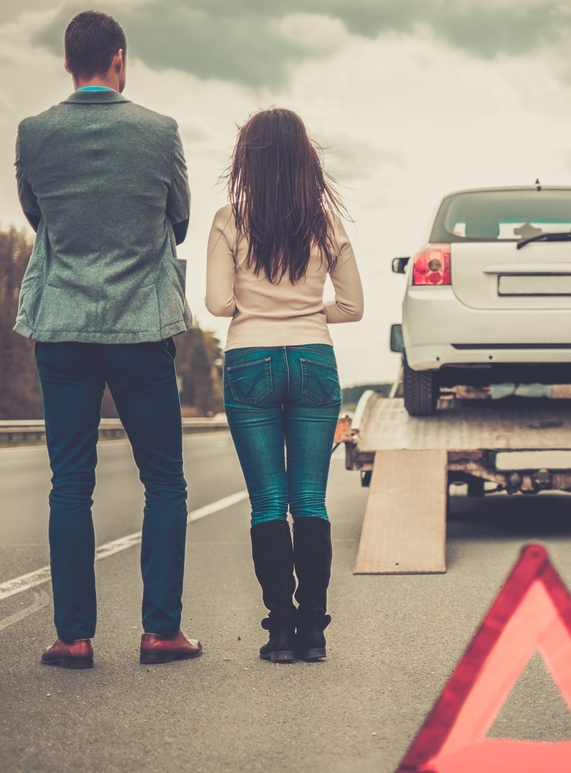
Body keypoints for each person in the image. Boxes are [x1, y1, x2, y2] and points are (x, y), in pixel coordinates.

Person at [14, 10, 201, 668]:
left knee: (70, 483)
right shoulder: (160, 132)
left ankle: (73, 635)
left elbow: (36, 216)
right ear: (119, 59)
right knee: (165, 482)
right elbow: (178, 218)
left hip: (62, 329)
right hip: (139, 328)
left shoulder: (34, 134)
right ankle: (160, 631)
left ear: (69, 63)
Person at [206, 108, 363, 663]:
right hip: (315, 360)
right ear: (306, 161)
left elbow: (219, 304)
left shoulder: (229, 220)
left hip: (250, 360)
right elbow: (353, 307)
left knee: (268, 502)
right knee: (311, 499)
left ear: (246, 161)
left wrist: (260, 308)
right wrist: (305, 311)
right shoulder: (326, 224)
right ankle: (314, 634)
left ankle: (279, 632)